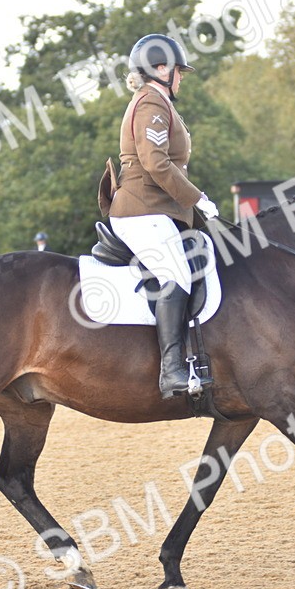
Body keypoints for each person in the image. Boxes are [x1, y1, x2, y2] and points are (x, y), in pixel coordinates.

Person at [108, 34, 219, 399]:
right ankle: (171, 371)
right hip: (141, 209)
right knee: (177, 273)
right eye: (178, 72)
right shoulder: (151, 103)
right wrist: (196, 198)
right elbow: (156, 162)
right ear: (160, 69)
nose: (181, 78)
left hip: (156, 209)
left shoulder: (157, 102)